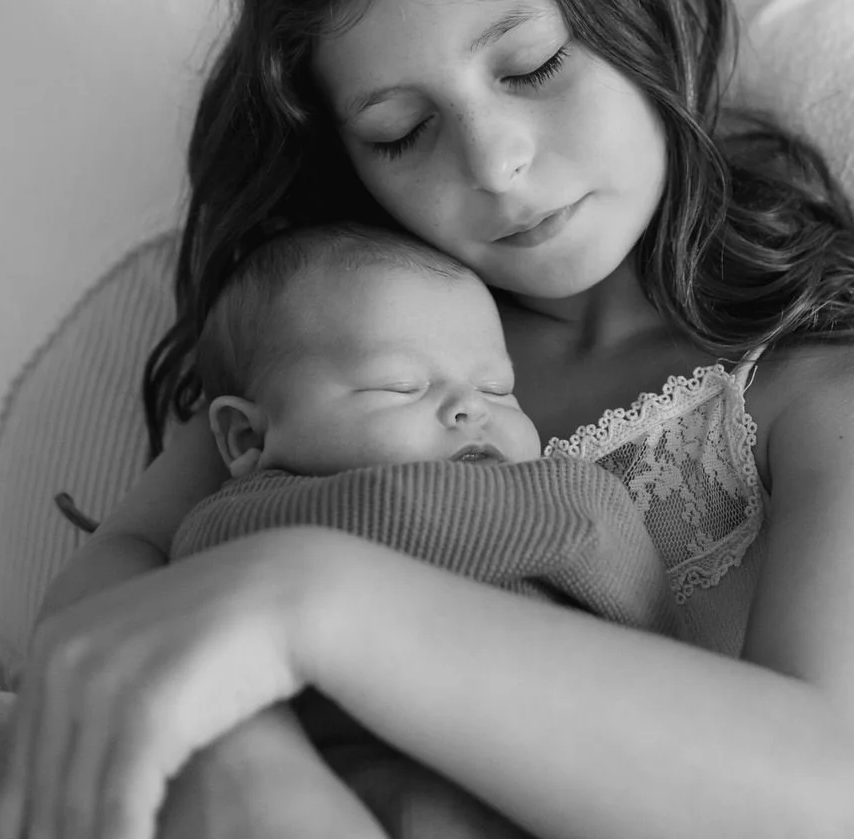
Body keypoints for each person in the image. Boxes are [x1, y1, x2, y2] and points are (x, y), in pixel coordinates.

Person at [0, 0, 854, 839]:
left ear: (646, 1)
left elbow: (831, 797)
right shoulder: (348, 346)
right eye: (400, 131)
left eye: (531, 65)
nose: (495, 161)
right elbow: (98, 608)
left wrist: (307, 597)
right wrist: (241, 755)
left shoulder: (845, 401)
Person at [169, 219, 677, 839]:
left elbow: (653, 650)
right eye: (401, 386)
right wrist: (577, 496)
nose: (472, 407)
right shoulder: (234, 522)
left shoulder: (539, 494)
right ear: (246, 436)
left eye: (498, 388)